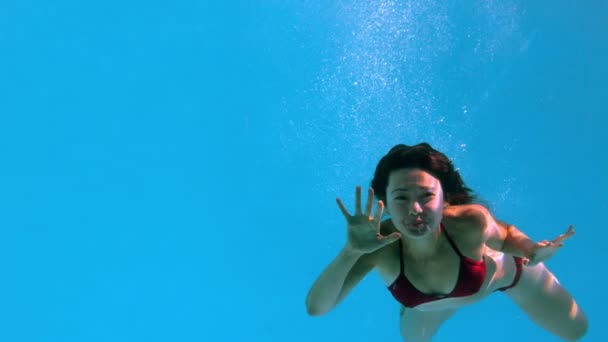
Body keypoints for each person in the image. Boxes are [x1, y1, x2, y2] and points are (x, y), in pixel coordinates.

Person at [305, 143, 588, 341]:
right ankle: (429, 307)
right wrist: (351, 251)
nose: (415, 209)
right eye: (402, 198)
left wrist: (531, 249)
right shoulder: (379, 246)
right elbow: (317, 308)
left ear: (445, 200)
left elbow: (505, 235)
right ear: (386, 204)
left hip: (506, 277)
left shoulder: (469, 222)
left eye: (426, 196)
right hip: (425, 307)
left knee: (576, 330)